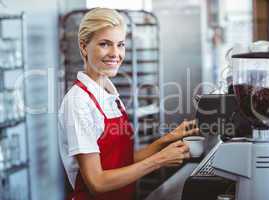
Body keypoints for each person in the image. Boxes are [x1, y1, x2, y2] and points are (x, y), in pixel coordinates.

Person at [58, 7, 200, 200]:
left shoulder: (110, 95)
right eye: (105, 44)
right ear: (83, 46)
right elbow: (97, 182)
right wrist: (160, 160)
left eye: (121, 44)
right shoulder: (78, 102)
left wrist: (168, 138)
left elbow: (123, 161)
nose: (116, 53)